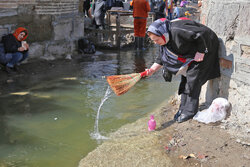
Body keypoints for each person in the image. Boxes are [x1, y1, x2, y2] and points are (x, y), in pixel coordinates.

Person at [140, 18, 220, 123]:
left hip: (207, 45)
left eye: (156, 40)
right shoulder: (164, 39)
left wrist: (201, 51)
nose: (155, 43)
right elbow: (162, 56)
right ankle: (183, 108)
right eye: (153, 40)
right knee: (185, 78)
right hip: (191, 52)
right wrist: (152, 70)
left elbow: (202, 33)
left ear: (163, 35)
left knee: (193, 79)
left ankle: (190, 111)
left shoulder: (178, 30)